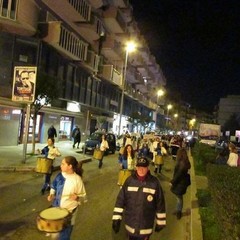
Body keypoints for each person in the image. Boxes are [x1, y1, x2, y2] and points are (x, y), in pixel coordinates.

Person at [112, 157, 166, 239]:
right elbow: (120, 200)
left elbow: (160, 203)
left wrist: (160, 222)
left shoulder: (154, 183)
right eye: (139, 167)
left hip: (145, 227)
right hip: (130, 225)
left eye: (143, 167)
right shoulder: (129, 181)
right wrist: (116, 218)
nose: (141, 170)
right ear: (136, 168)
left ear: (147, 168)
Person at [47, 156, 87, 240]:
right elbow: (53, 186)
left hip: (69, 214)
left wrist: (77, 198)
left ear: (70, 166)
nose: (60, 165)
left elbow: (84, 198)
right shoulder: (60, 176)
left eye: (63, 164)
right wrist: (51, 194)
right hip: (57, 211)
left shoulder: (77, 180)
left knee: (64, 237)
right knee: (56, 234)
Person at [170, 147, 191, 220]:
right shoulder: (185, 161)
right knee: (178, 197)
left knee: (179, 198)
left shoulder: (181, 163)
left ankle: (179, 212)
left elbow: (178, 175)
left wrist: (172, 182)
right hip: (182, 183)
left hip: (180, 183)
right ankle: (177, 209)